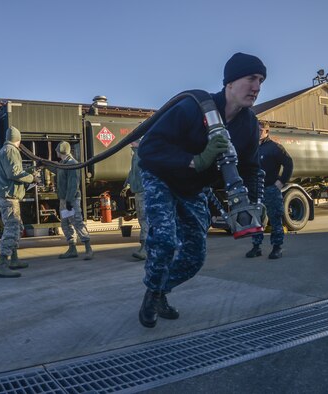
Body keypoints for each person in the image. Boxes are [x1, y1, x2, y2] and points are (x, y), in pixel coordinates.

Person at [137, 52, 266, 328]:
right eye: (251, 79)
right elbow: (147, 149)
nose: (257, 87)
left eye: (261, 81)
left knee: (195, 256)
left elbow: (252, 168)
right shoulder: (192, 107)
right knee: (165, 241)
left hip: (194, 187)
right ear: (230, 82)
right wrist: (196, 160)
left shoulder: (249, 125)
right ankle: (151, 295)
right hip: (162, 177)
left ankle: (159, 291)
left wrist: (253, 204)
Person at [0, 126, 36, 278]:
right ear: (19, 139)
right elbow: (14, 173)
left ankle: (14, 259)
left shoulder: (4, 150)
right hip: (8, 196)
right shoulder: (11, 150)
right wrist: (32, 178)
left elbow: (11, 172)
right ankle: (2, 264)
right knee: (12, 227)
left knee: (17, 226)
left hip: (6, 195)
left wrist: (28, 172)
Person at [246, 120, 293, 259]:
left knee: (275, 218)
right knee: (255, 219)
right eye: (256, 130)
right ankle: (256, 247)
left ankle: (277, 247)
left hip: (270, 189)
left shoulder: (275, 148)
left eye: (260, 131)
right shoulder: (252, 148)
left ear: (267, 132)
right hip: (254, 190)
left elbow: (288, 164)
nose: (258, 133)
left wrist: (280, 182)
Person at [54, 141, 94, 260]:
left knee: (77, 222)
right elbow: (57, 170)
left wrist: (69, 200)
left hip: (71, 200)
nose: (55, 151)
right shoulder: (63, 163)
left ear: (60, 151)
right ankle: (72, 248)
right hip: (64, 199)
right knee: (65, 223)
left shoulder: (72, 164)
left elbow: (73, 184)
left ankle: (88, 248)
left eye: (56, 150)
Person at [121, 139, 148, 260]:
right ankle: (145, 247)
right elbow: (132, 172)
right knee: (142, 219)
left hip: (144, 192)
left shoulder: (143, 154)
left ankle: (145, 248)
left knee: (145, 219)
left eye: (133, 142)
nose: (130, 144)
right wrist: (127, 185)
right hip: (138, 192)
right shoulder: (136, 155)